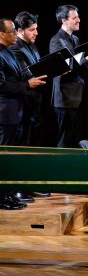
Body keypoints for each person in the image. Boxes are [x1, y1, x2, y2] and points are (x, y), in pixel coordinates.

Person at [0, 18, 46, 209]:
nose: (14, 35)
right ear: (2, 34)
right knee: (3, 156)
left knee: (11, 156)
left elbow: (18, 74)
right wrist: (27, 84)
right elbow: (1, 85)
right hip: (4, 112)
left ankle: (8, 193)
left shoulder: (7, 51)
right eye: (11, 32)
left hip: (16, 112)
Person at [50, 5, 88, 148]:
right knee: (64, 139)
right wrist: (86, 59)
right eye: (75, 17)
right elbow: (62, 66)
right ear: (64, 20)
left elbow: (79, 66)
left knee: (72, 138)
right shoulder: (56, 40)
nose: (79, 20)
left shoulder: (75, 39)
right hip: (64, 97)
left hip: (76, 96)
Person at [10, 12, 43, 147]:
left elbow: (38, 65)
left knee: (33, 142)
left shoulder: (31, 44)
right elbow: (27, 74)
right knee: (23, 143)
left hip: (35, 101)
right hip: (24, 103)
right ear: (19, 31)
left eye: (36, 29)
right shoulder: (14, 47)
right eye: (31, 30)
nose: (36, 33)